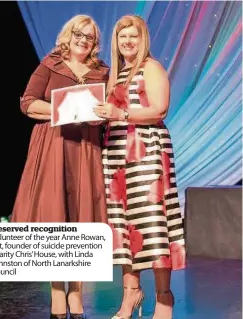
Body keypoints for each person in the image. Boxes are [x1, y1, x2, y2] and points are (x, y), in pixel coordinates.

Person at [11, 15, 109, 319]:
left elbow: (106, 109)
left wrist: (101, 113)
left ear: (95, 43)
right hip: (53, 146)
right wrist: (63, 107)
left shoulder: (102, 71)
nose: (83, 40)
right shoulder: (51, 63)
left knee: (81, 217)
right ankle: (57, 292)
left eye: (89, 37)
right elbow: (27, 103)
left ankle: (76, 292)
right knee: (55, 216)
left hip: (86, 149)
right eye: (79, 34)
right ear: (69, 34)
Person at [94, 15, 186, 319]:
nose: (128, 42)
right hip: (116, 153)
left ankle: (164, 295)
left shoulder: (152, 68)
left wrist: (118, 112)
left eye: (133, 36)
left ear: (142, 38)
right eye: (122, 38)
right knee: (121, 225)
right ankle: (130, 294)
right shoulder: (114, 74)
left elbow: (159, 109)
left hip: (147, 151)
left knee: (152, 222)